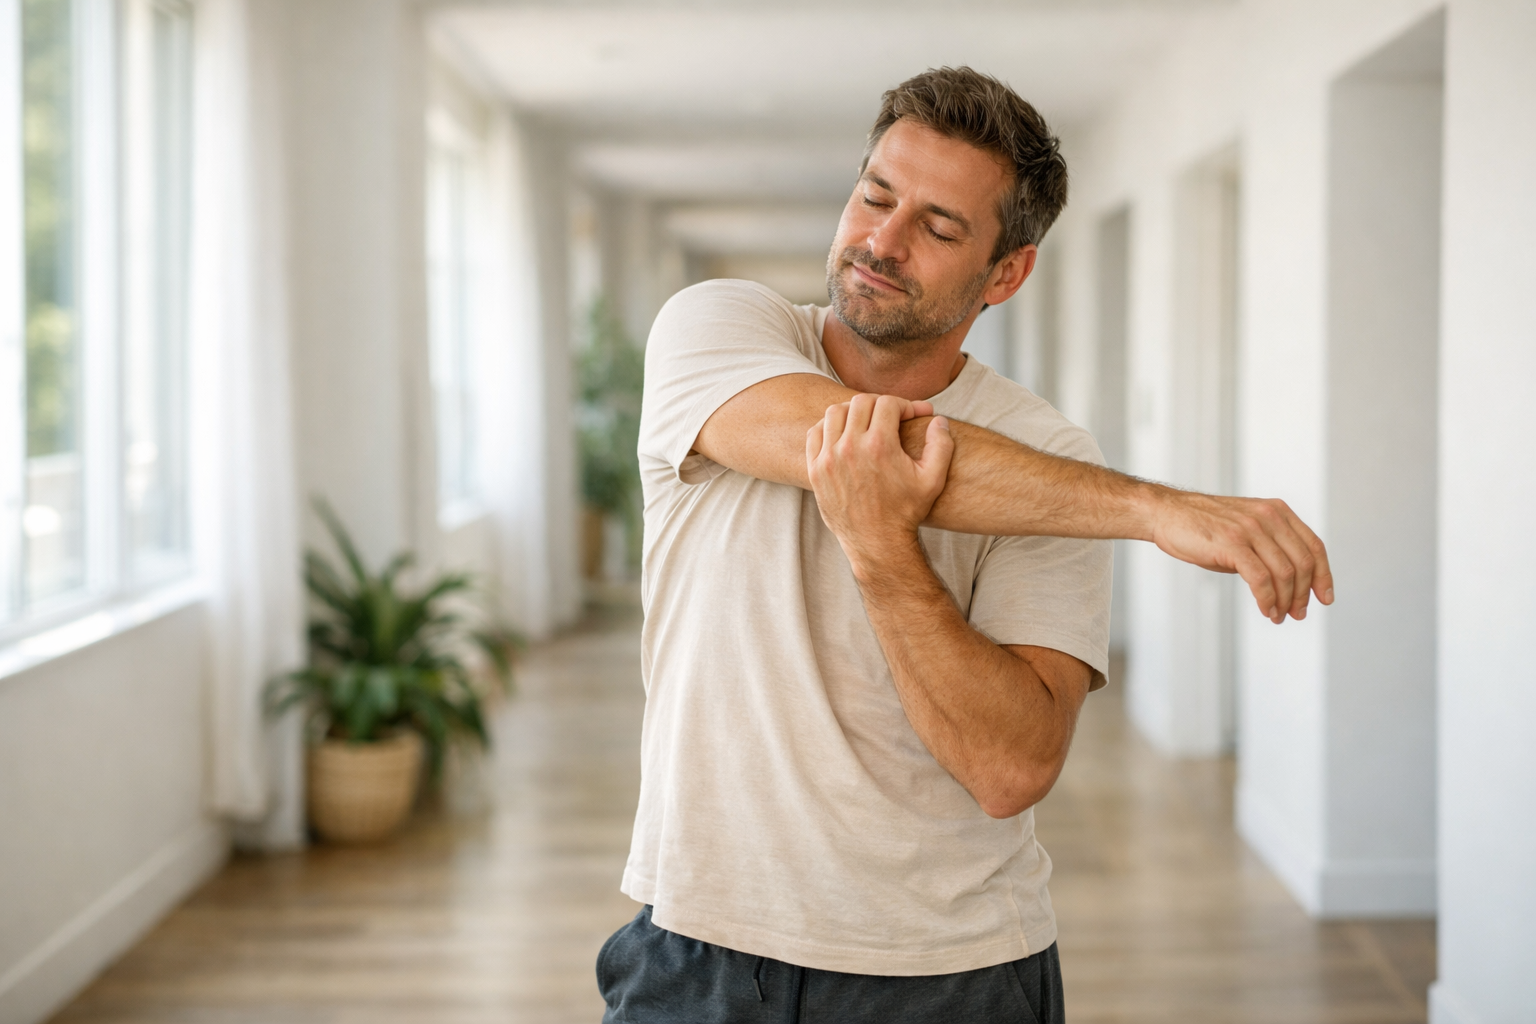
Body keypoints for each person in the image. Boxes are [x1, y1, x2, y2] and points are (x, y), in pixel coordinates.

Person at [597, 66, 1332, 1024]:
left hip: (950, 971)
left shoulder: (1057, 463)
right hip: (696, 948)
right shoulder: (716, 331)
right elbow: (869, 444)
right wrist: (1155, 509)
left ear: (1007, 273)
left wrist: (883, 552)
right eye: (874, 197)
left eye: (940, 228)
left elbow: (1010, 771)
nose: (882, 242)